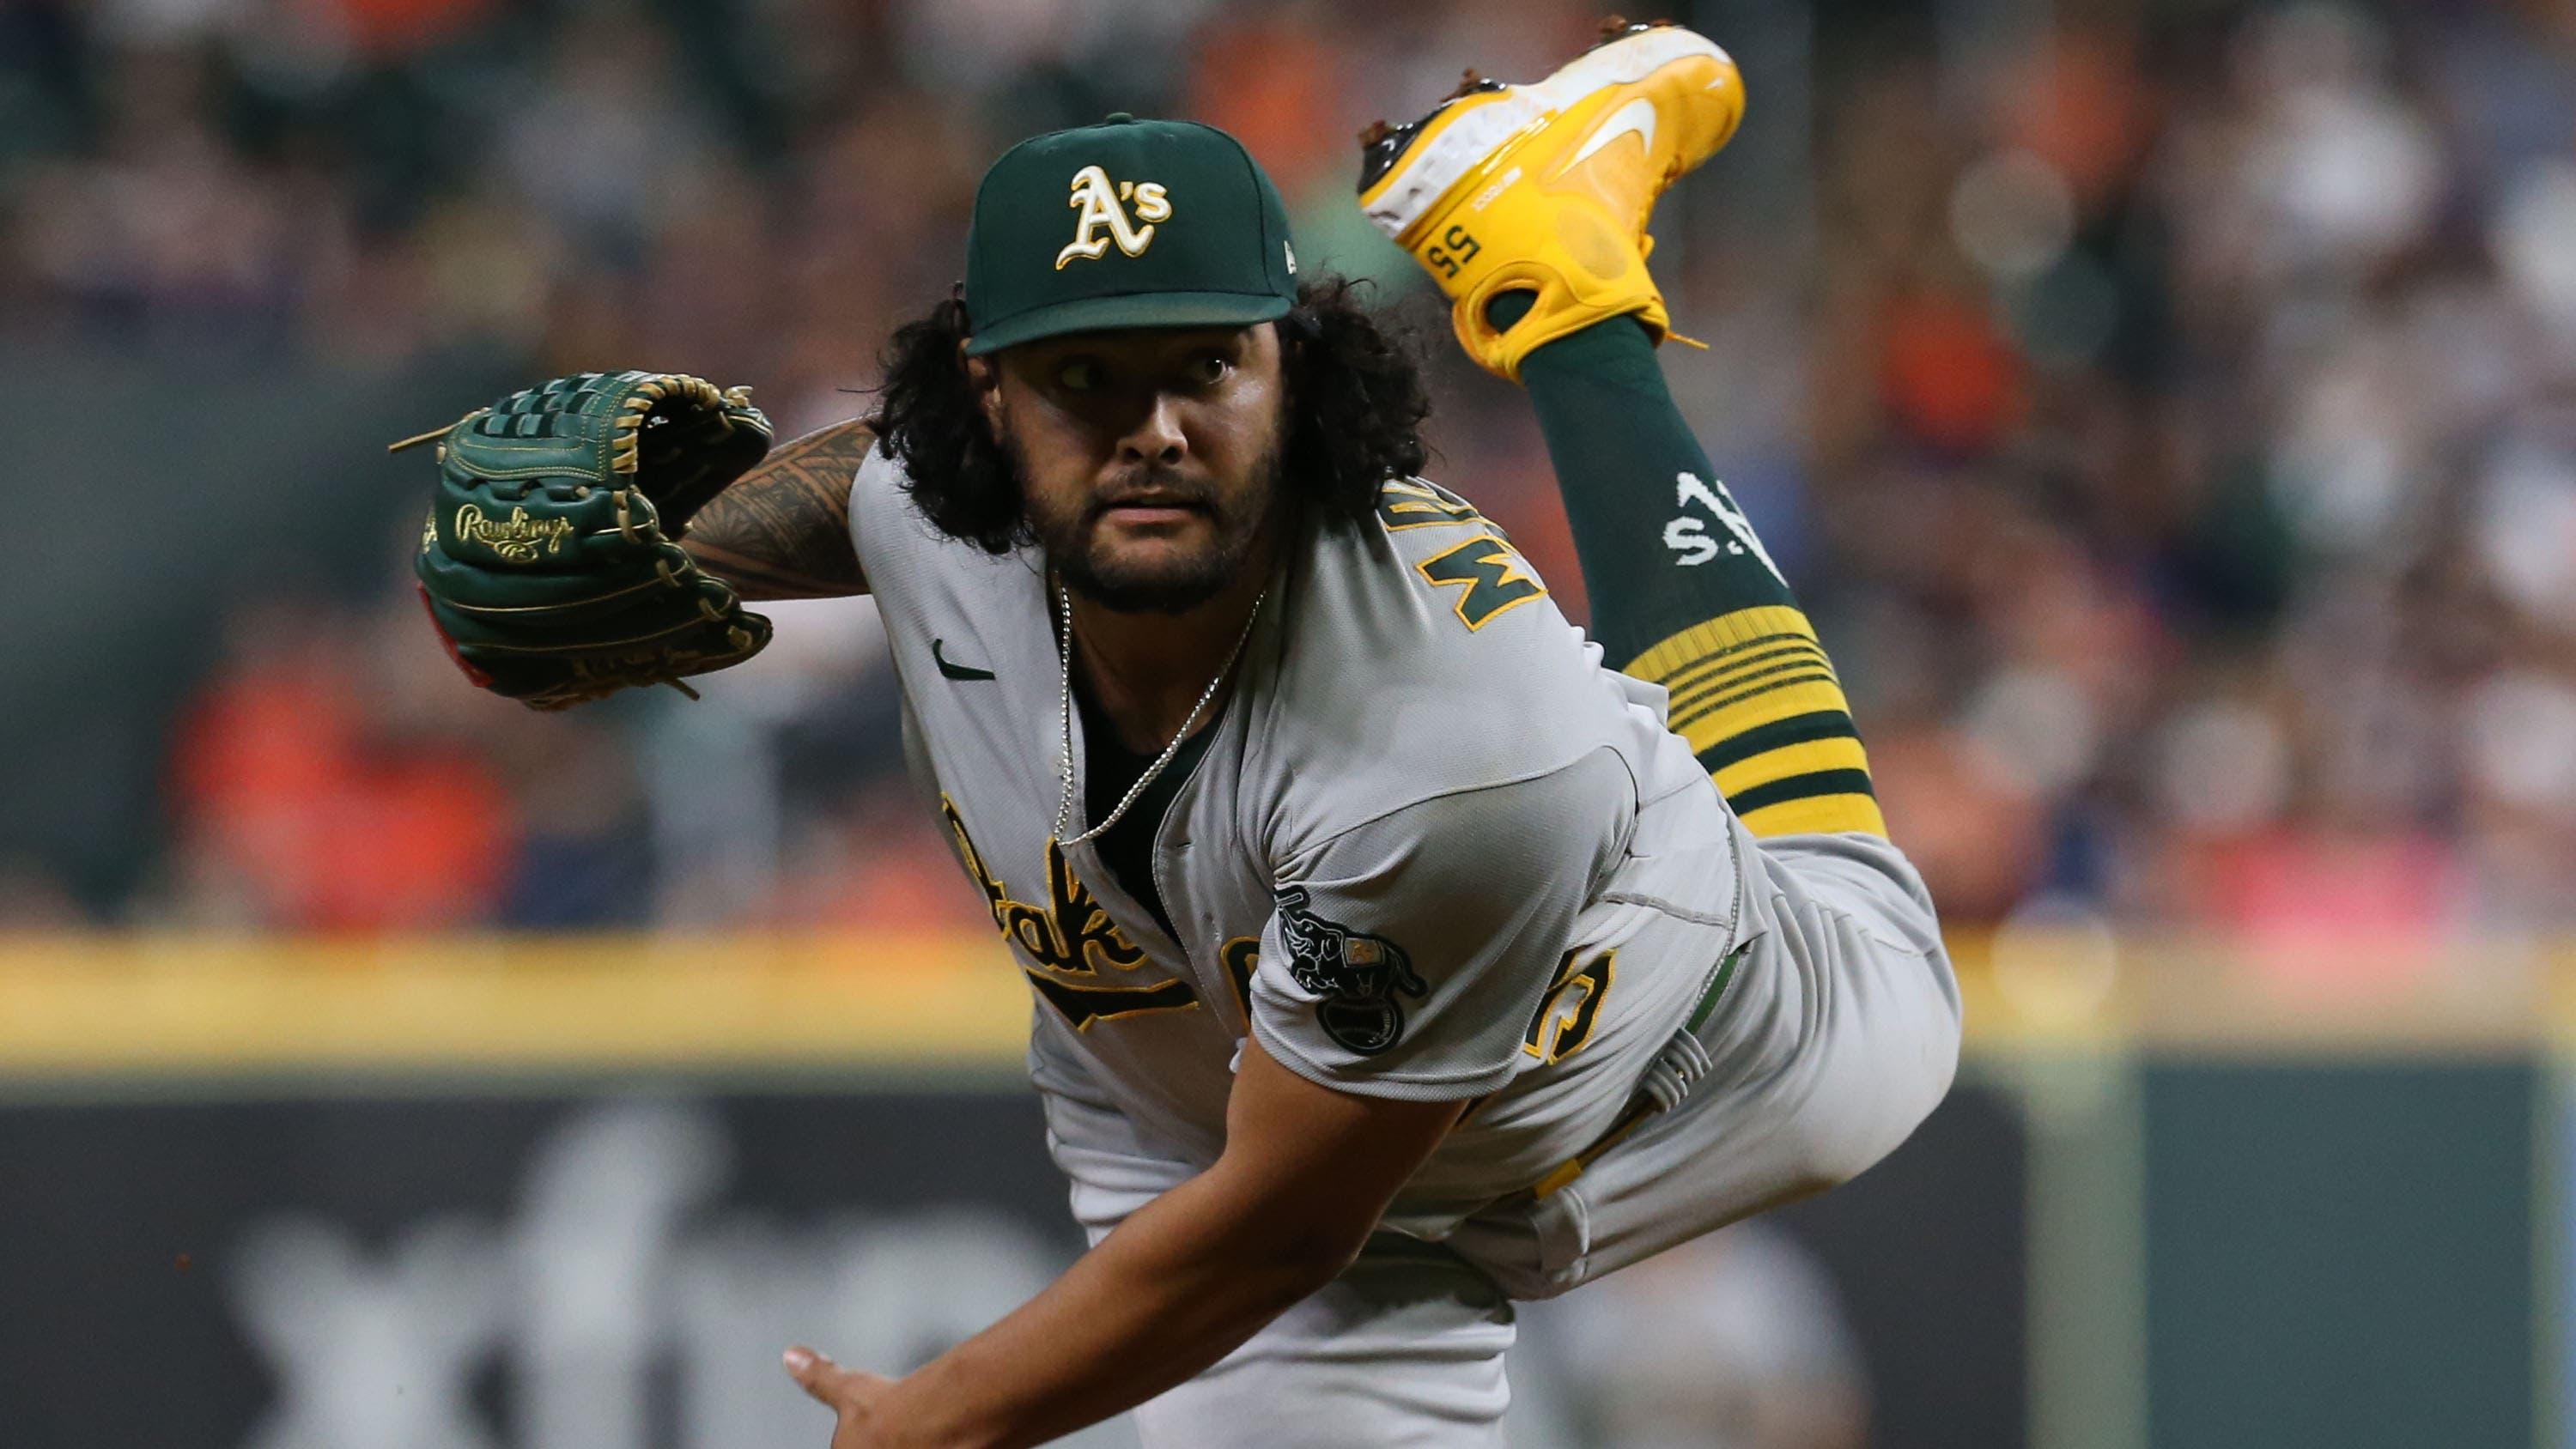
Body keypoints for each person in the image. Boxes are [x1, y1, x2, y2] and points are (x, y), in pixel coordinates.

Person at [412, 21, 1960, 1447]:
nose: (1150, 427)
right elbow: (881, 491)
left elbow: (1283, 1232)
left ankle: (1567, 291)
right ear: (989, 401)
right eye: (1083, 377)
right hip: (1232, 1134)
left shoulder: (1453, 754)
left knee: (1852, 909)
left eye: (1203, 365)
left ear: (1298, 368)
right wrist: (689, 542)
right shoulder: (946, 503)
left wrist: (938, 1418)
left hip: (1678, 1057)